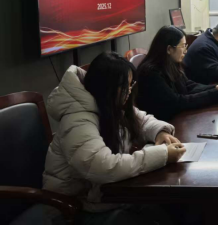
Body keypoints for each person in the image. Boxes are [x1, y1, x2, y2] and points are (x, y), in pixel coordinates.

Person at [43, 52, 185, 223]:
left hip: (103, 196)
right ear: (107, 87)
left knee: (168, 210)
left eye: (131, 85)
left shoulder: (109, 103)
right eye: (125, 87)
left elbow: (142, 120)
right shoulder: (77, 120)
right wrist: (162, 155)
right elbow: (102, 167)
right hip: (73, 208)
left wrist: (160, 132)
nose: (129, 91)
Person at [137, 26, 218, 122]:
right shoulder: (150, 73)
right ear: (169, 49)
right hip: (163, 124)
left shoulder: (171, 63)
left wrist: (214, 88)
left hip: (176, 118)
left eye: (186, 46)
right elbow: (176, 102)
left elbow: (188, 85)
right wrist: (211, 95)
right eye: (183, 46)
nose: (186, 51)